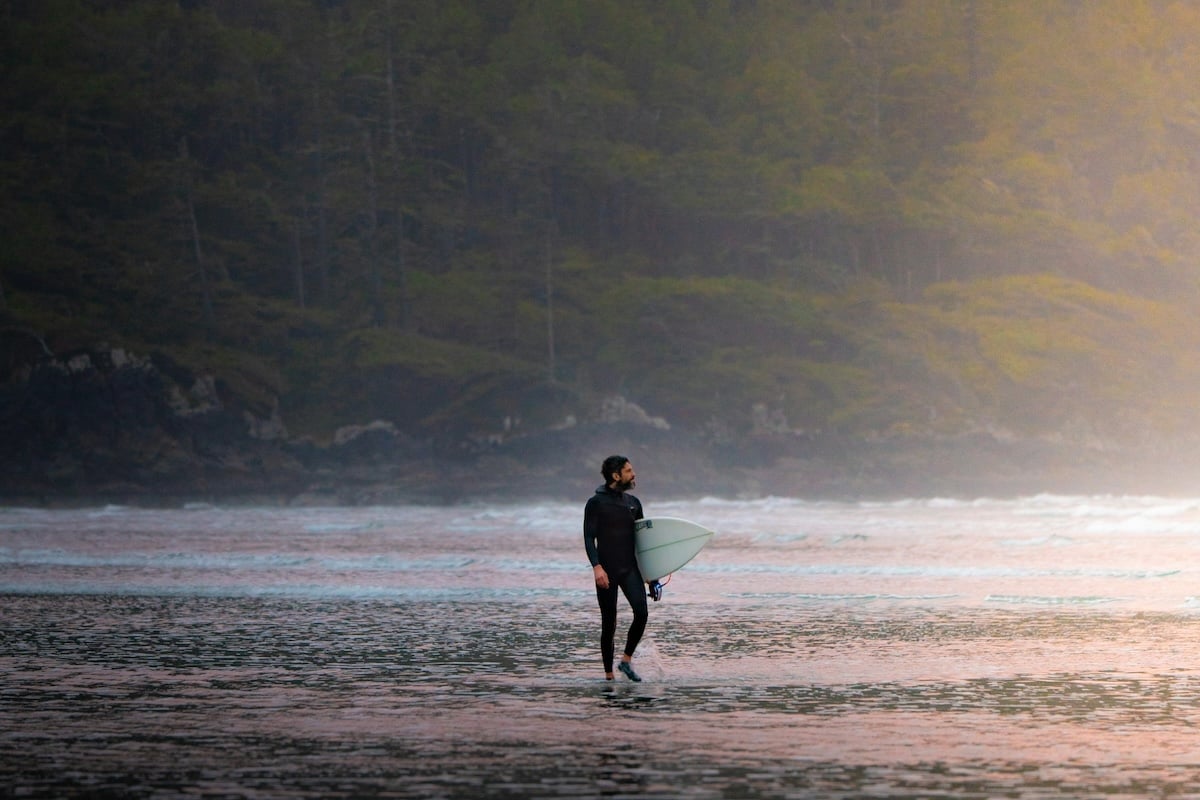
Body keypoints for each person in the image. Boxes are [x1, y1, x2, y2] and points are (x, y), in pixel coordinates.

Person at [583, 454, 651, 682]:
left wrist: (650, 574)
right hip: (607, 570)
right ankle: (609, 677)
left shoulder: (633, 503)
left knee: (641, 612)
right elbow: (588, 537)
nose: (634, 474)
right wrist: (597, 567)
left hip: (629, 568)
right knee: (609, 622)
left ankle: (625, 661)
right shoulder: (596, 503)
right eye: (629, 470)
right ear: (616, 475)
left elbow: (643, 542)